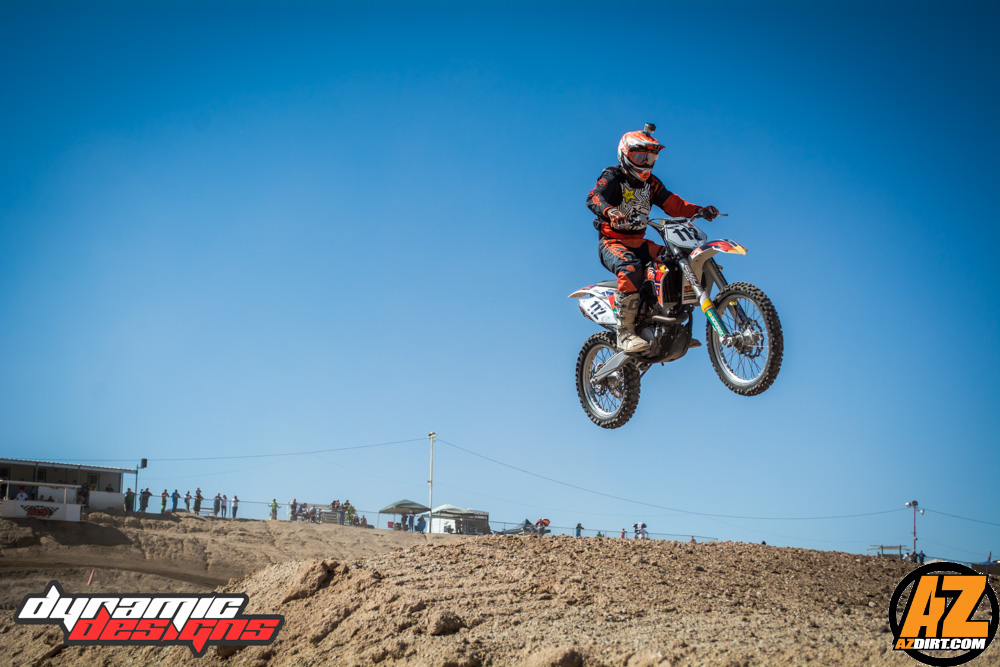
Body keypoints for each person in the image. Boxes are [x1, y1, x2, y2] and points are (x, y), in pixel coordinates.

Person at [587, 124, 719, 352]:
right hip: (612, 242)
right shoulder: (613, 176)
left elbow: (674, 204)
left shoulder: (652, 184)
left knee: (676, 262)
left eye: (650, 158)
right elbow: (594, 197)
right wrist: (611, 211)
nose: (645, 163)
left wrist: (699, 210)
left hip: (640, 243)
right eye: (640, 156)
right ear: (625, 155)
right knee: (631, 268)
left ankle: (669, 325)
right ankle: (625, 333)